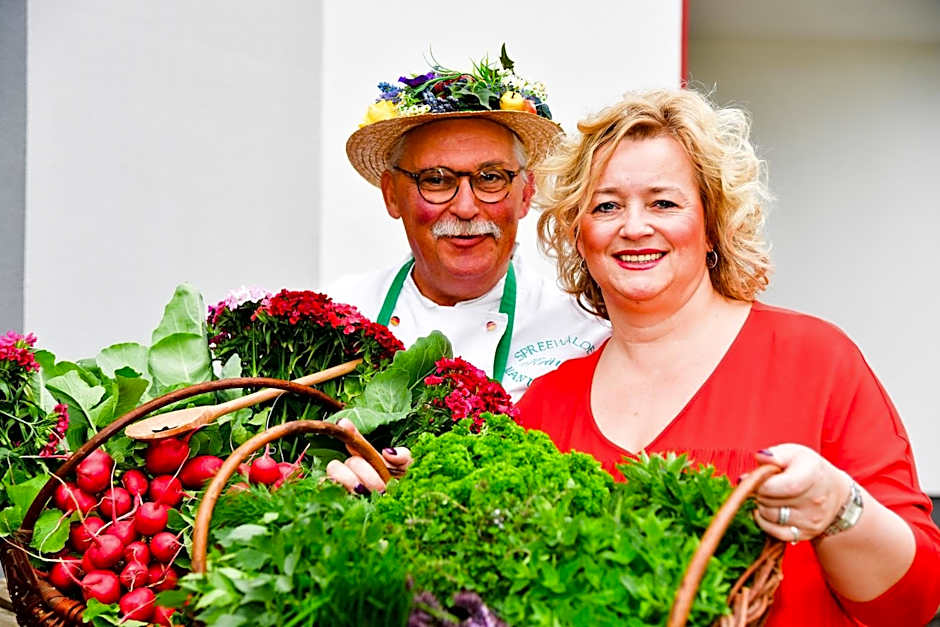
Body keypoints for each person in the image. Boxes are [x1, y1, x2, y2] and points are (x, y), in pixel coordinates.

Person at [515, 88, 940, 625]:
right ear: (580, 236)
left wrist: (838, 509)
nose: (634, 226)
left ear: (712, 224)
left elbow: (912, 602)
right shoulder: (545, 405)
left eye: (663, 202)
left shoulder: (816, 361)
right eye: (606, 206)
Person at [327, 49, 609, 405]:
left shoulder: (585, 333)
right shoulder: (341, 314)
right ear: (392, 195)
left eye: (490, 178)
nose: (465, 207)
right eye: (436, 180)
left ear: (526, 195)